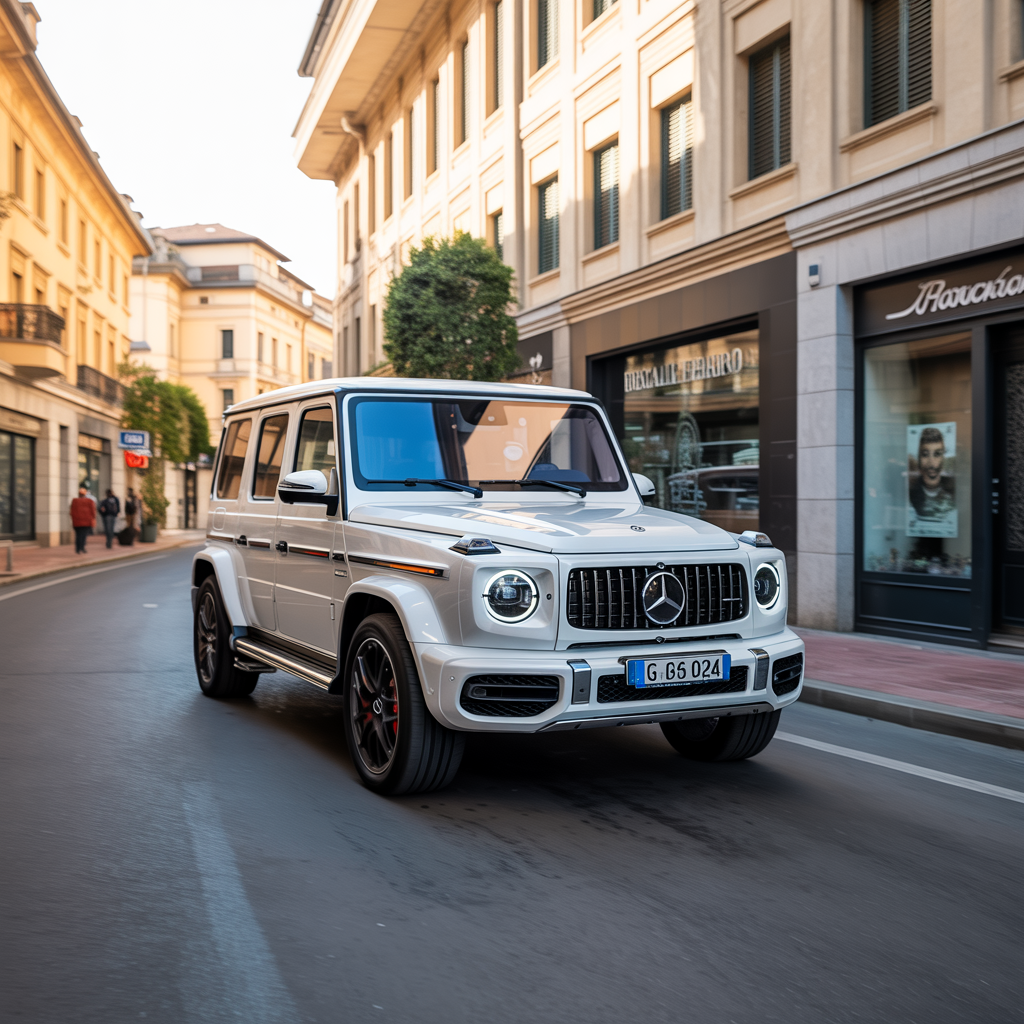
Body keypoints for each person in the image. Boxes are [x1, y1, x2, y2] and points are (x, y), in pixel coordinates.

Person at [909, 427, 955, 520]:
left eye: (937, 454)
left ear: (943, 459)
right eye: (925, 454)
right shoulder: (910, 495)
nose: (931, 464)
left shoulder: (953, 495)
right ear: (919, 459)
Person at [70, 486, 96, 554]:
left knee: (78, 535)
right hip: (86, 522)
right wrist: (92, 519)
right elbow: (93, 512)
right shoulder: (89, 501)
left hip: (77, 522)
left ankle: (78, 549)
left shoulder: (75, 501)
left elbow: (71, 512)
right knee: (84, 535)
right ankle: (82, 547)